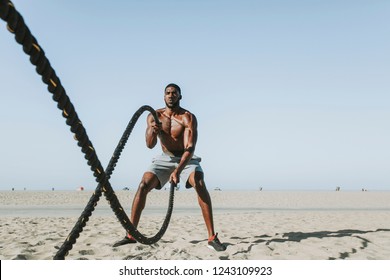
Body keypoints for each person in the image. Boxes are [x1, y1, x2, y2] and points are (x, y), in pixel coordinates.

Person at [113, 83, 226, 251]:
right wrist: (153, 131)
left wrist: (178, 170)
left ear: (180, 96)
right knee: (143, 184)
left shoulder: (187, 117)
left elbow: (190, 148)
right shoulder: (154, 116)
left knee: (199, 182)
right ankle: (131, 234)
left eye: (174, 93)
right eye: (168, 93)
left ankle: (211, 237)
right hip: (165, 158)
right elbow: (150, 145)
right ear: (164, 96)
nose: (171, 95)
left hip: (186, 158)